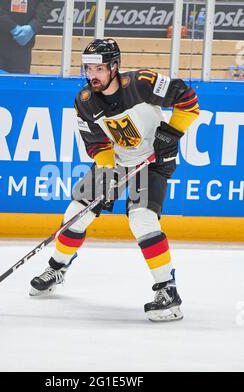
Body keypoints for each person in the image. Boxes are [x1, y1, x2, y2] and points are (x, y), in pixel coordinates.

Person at [30, 38, 200, 322]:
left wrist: (172, 132)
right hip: (118, 162)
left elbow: (188, 99)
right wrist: (108, 172)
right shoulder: (85, 101)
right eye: (88, 69)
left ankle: (168, 292)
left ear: (114, 67)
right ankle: (57, 267)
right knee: (75, 214)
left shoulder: (143, 83)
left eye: (98, 69)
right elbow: (96, 144)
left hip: (153, 162)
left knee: (142, 220)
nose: (92, 75)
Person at [0, 0, 48, 73]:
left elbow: (45, 3)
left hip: (23, 44)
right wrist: (12, 27)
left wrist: (33, 26)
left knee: (19, 82)